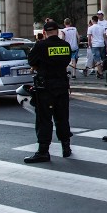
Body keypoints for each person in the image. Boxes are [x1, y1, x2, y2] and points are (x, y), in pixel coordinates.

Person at [24, 21, 73, 163]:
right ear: (57, 31)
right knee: (62, 117)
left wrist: (39, 65)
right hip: (62, 85)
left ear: (44, 32)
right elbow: (66, 61)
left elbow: (31, 61)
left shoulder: (41, 45)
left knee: (44, 119)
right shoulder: (65, 45)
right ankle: (66, 147)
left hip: (45, 88)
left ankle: (43, 151)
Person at [87, 14, 107, 79]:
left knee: (97, 59)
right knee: (101, 59)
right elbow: (105, 37)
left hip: (95, 45)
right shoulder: (102, 27)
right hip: (102, 44)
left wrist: (89, 45)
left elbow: (89, 38)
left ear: (92, 20)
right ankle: (99, 71)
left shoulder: (90, 28)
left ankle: (100, 73)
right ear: (97, 20)